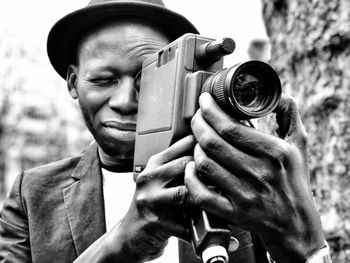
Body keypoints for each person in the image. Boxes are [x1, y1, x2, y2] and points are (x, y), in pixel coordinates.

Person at [0, 0, 331, 262]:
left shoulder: (240, 185)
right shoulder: (32, 194)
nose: (125, 101)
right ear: (73, 82)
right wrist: (126, 241)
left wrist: (304, 246)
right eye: (103, 80)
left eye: (148, 82)